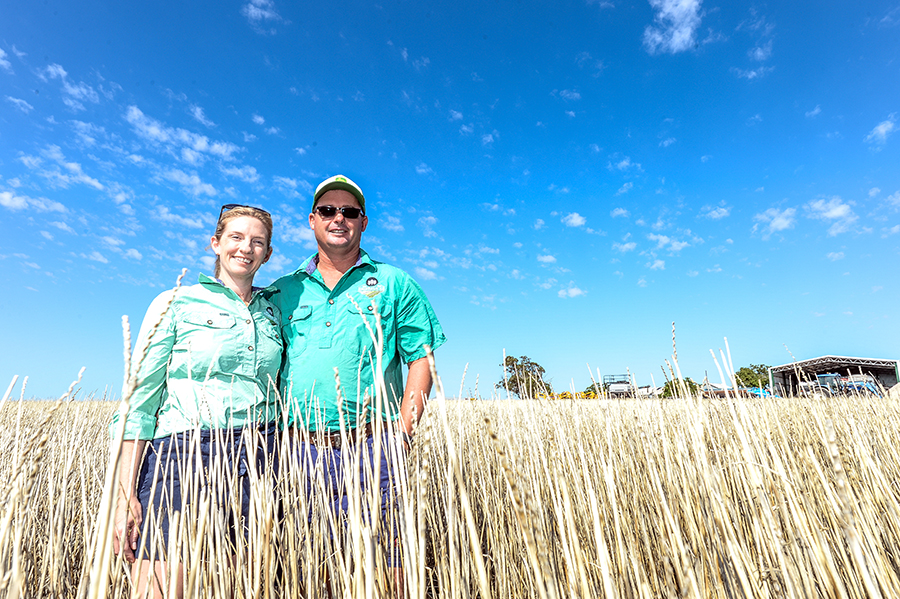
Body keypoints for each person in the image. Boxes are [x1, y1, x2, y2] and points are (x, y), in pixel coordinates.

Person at [265, 174, 446, 591]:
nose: (338, 218)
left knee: (390, 561)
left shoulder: (395, 282)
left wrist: (403, 430)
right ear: (312, 220)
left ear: (363, 222)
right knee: (317, 563)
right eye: (328, 210)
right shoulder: (282, 291)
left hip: (373, 442)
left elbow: (420, 357)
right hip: (299, 450)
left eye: (350, 212)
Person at [110, 204, 282, 599]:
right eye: (236, 237)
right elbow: (139, 401)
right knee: (161, 585)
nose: (246, 248)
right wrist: (125, 495)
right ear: (215, 243)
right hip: (184, 452)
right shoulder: (176, 302)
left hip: (260, 455)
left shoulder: (275, 310)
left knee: (244, 585)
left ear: (268, 254)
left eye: (257, 242)